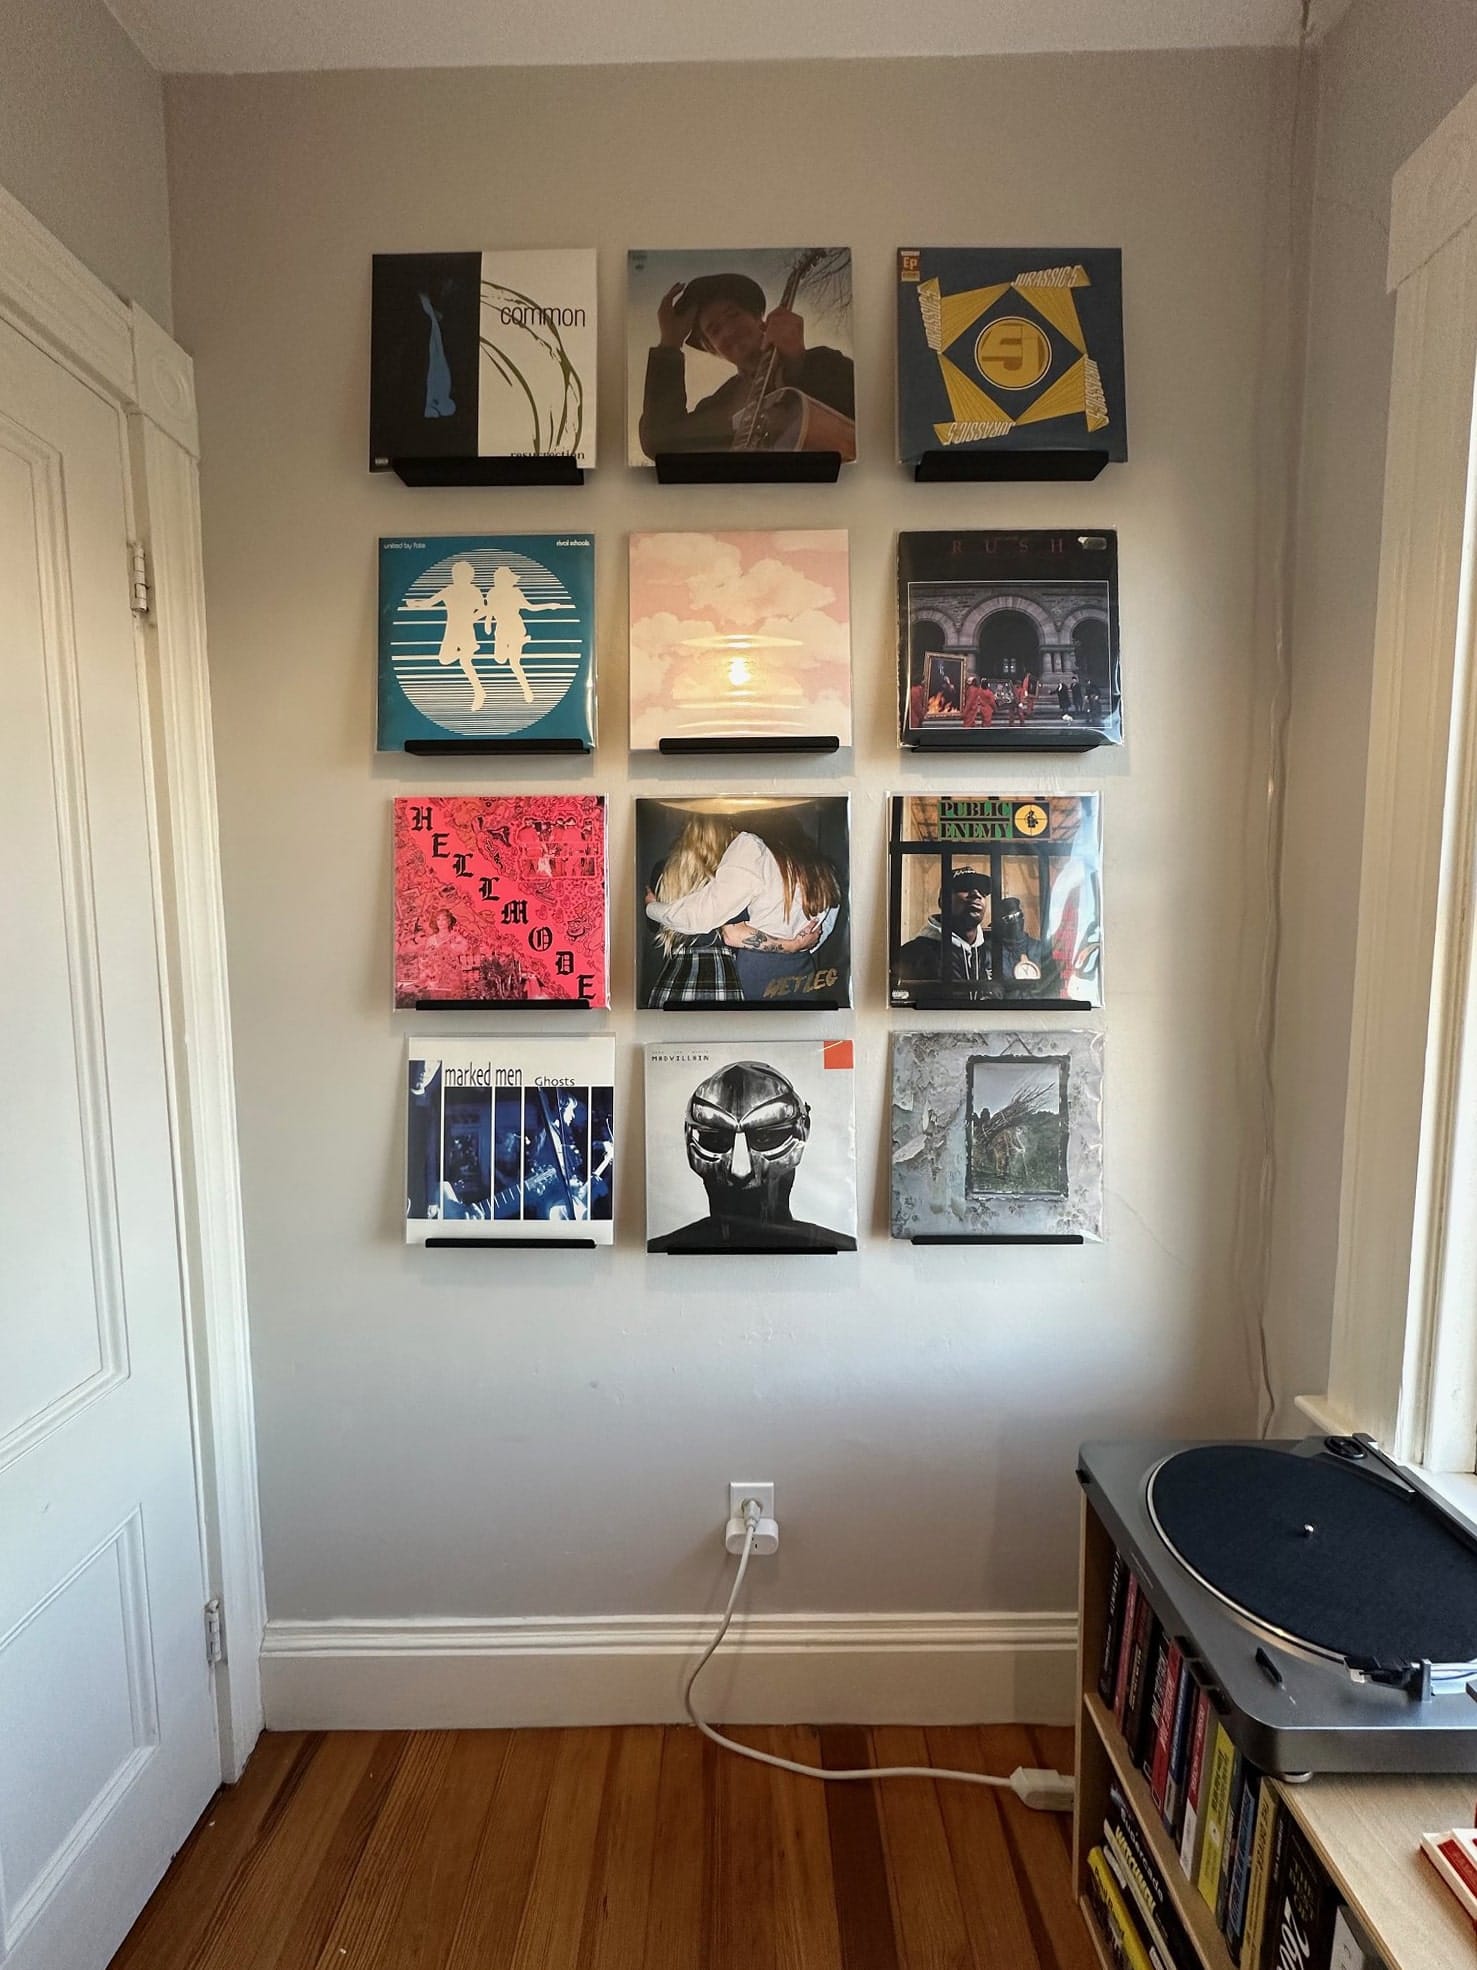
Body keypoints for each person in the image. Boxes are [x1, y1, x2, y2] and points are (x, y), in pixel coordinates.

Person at [638, 270, 855, 457]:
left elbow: (862, 415)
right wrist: (670, 344)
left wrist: (797, 363)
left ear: (759, 319)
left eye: (733, 315)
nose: (729, 331)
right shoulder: (719, 405)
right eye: (715, 330)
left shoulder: (823, 362)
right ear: (714, 350)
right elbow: (660, 441)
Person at [649, 1060, 857, 1252]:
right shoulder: (664, 1250)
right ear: (689, 1135)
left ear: (803, 1130)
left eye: (765, 1136)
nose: (741, 1170)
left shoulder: (837, 1249)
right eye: (717, 1138)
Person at [645, 812, 840, 1001]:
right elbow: (823, 930)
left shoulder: (750, 850)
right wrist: (797, 946)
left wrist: (652, 907)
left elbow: (728, 930)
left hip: (755, 975)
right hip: (802, 973)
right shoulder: (822, 869)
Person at [894, 867, 1048, 1000]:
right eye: (965, 886)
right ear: (942, 901)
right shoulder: (910, 955)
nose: (976, 894)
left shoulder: (988, 954)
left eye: (983, 890)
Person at [403, 559, 487, 710]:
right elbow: (429, 602)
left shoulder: (474, 591)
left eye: (462, 574)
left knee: (465, 662)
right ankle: (468, 652)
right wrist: (414, 603)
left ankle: (479, 692)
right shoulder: (450, 590)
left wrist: (471, 618)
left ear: (469, 576)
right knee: (444, 659)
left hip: (466, 630)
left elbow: (483, 610)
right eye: (456, 574)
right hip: (453, 631)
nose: (459, 577)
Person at [482, 563, 562, 706]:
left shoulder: (515, 592)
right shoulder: (492, 593)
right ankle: (521, 641)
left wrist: (549, 605)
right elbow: (490, 609)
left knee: (514, 663)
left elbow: (530, 607)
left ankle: (527, 690)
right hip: (501, 630)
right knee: (499, 659)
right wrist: (487, 622)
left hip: (515, 629)